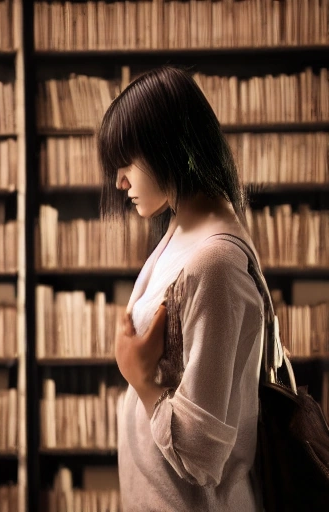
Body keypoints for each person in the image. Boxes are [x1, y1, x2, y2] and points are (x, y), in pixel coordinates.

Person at [97, 65, 264, 511]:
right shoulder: (178, 228)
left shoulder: (215, 262)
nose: (119, 182)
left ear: (168, 147)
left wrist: (140, 379)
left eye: (127, 162)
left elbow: (201, 456)